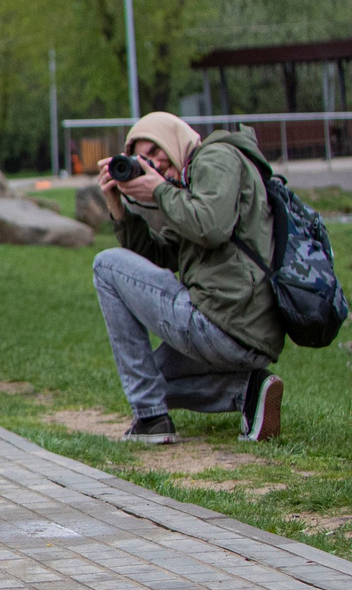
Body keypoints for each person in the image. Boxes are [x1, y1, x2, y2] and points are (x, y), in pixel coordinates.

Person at [92, 112, 285, 444]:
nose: (152, 164)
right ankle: (248, 391)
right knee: (149, 380)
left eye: (155, 152)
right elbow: (160, 258)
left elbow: (211, 226)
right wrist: (119, 209)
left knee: (106, 265)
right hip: (238, 329)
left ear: (175, 139)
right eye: (142, 159)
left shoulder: (217, 156)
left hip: (226, 319)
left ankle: (151, 422)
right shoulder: (187, 184)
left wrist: (161, 193)